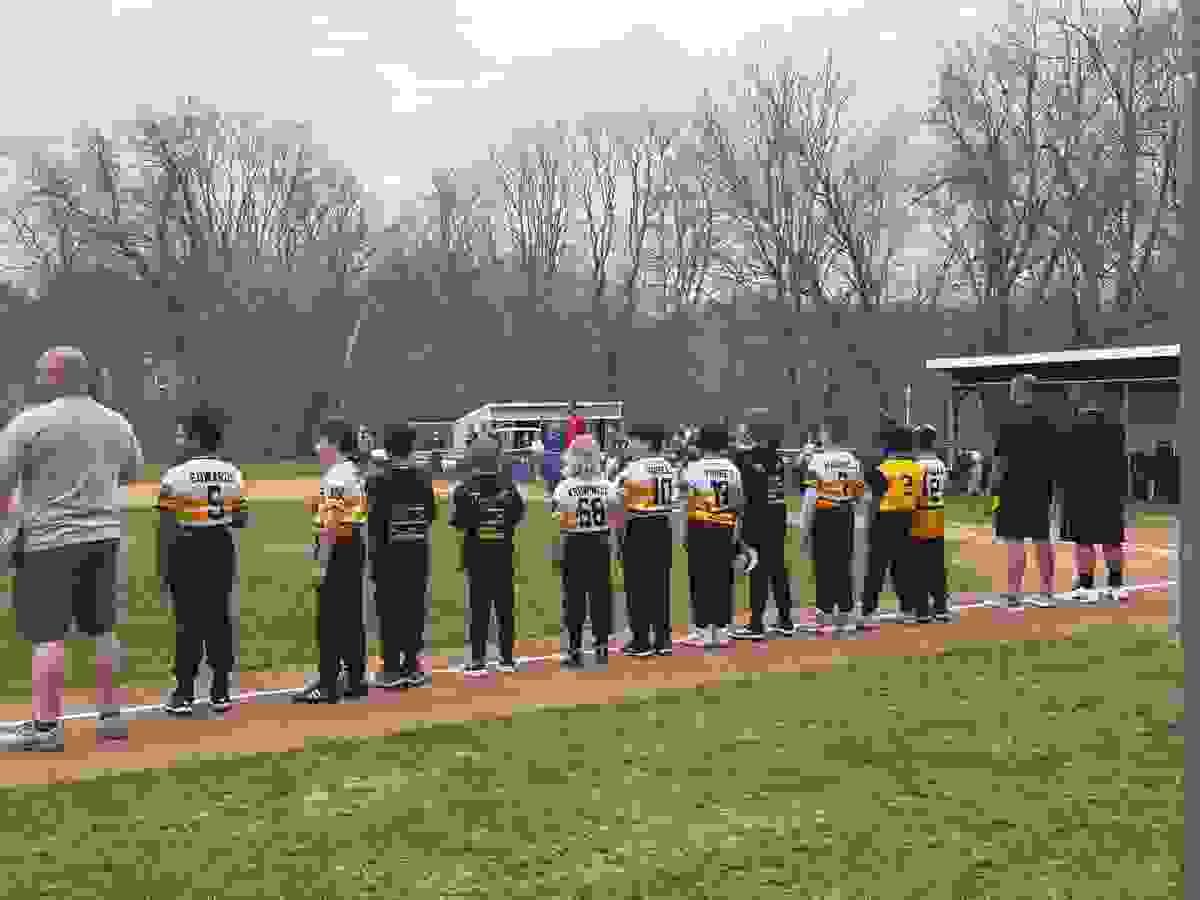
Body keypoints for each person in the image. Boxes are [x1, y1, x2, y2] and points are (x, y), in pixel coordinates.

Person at [0, 347, 143, 751]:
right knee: (103, 630)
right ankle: (111, 718)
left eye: (43, 372)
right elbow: (131, 473)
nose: (39, 377)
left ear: (55, 376)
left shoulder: (31, 422)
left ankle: (46, 728)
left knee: (47, 635)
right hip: (103, 536)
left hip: (48, 540)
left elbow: (2, 480)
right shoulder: (117, 421)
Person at [157, 404, 250, 715]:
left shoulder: (176, 474)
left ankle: (184, 692)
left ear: (196, 438)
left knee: (187, 621)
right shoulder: (233, 473)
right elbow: (240, 520)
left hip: (187, 547)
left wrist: (164, 567)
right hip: (221, 546)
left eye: (183, 434)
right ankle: (221, 690)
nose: (179, 439)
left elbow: (167, 524)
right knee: (219, 618)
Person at [294, 416, 370, 703]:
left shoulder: (336, 477)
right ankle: (354, 678)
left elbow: (332, 525)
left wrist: (322, 564)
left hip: (340, 548)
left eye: (321, 441)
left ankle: (328, 681)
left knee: (330, 619)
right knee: (350, 617)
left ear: (333, 443)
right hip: (354, 546)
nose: (317, 447)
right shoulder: (352, 471)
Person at [365, 423, 437, 689]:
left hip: (387, 555)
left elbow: (372, 520)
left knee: (389, 611)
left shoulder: (377, 481)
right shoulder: (423, 478)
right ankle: (411, 665)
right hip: (417, 552)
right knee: (413, 609)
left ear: (387, 448)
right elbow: (430, 515)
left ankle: (391, 668)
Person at [451, 435, 526, 676]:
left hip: (476, 555)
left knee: (479, 607)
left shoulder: (464, 489)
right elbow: (516, 517)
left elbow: (459, 523)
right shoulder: (509, 487)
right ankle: (506, 659)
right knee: (505, 607)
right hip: (503, 552)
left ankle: (477, 660)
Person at [676, 424, 748, 648]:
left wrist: (683, 532)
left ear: (701, 444)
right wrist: (736, 530)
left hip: (701, 526)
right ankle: (723, 629)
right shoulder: (732, 469)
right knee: (723, 578)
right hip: (725, 526)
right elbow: (738, 504)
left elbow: (686, 502)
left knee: (700, 578)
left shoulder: (694, 468)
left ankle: (704, 629)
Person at [550, 434, 619, 668]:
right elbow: (614, 517)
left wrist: (556, 552)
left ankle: (575, 649)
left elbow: (560, 524)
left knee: (574, 598)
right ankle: (601, 647)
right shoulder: (607, 486)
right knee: (601, 596)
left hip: (574, 543)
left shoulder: (564, 488)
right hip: (600, 542)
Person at [990, 374, 1058, 608]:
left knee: (1015, 540)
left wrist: (993, 486)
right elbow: (1056, 457)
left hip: (1013, 487)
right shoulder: (1048, 419)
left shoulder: (1007, 419)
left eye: (1012, 388)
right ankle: (1047, 592)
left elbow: (1001, 459)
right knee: (1042, 538)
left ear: (1019, 390)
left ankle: (1013, 593)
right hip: (1041, 487)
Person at [795, 423, 866, 634]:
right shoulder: (853, 460)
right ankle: (845, 612)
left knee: (824, 564)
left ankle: (824, 613)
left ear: (827, 435)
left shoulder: (818, 460)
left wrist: (804, 530)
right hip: (846, 513)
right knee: (843, 563)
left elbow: (810, 497)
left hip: (824, 514)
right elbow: (859, 494)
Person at [613, 425, 677, 657]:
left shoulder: (632, 469)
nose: (628, 445)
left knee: (637, 585)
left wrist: (620, 538)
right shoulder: (669, 467)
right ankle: (663, 638)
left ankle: (641, 640)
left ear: (646, 443)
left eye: (633, 441)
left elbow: (617, 503)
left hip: (638, 525)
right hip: (662, 524)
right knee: (660, 584)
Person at [730, 419, 796, 639]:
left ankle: (756, 624)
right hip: (777, 514)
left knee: (757, 568)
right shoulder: (776, 456)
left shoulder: (745, 458)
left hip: (757, 517)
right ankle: (785, 619)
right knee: (778, 568)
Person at [1061, 407, 1129, 605]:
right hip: (1110, 494)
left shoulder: (1073, 433)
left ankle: (1086, 587)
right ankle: (1116, 586)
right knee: (1112, 541)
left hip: (1080, 492)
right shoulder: (1116, 433)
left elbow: (1065, 465)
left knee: (1084, 542)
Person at [859, 424, 925, 626]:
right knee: (904, 567)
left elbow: (873, 500)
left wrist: (870, 526)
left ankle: (868, 612)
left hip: (884, 520)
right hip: (908, 518)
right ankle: (907, 609)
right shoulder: (918, 469)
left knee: (876, 568)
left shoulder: (882, 469)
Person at [912, 424, 951, 622]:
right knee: (936, 564)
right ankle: (941, 606)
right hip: (937, 515)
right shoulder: (941, 464)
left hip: (920, 516)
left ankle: (922, 609)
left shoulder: (917, 465)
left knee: (919, 564)